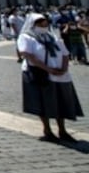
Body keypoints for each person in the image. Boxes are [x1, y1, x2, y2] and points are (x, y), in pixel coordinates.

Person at [17, 13, 83, 143]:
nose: (44, 24)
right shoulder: (26, 37)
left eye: (45, 22)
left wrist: (64, 68)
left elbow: (64, 53)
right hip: (39, 73)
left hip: (59, 74)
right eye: (40, 22)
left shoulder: (52, 36)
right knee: (42, 101)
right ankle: (47, 130)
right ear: (33, 24)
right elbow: (28, 55)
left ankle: (62, 130)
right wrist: (48, 69)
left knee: (61, 101)